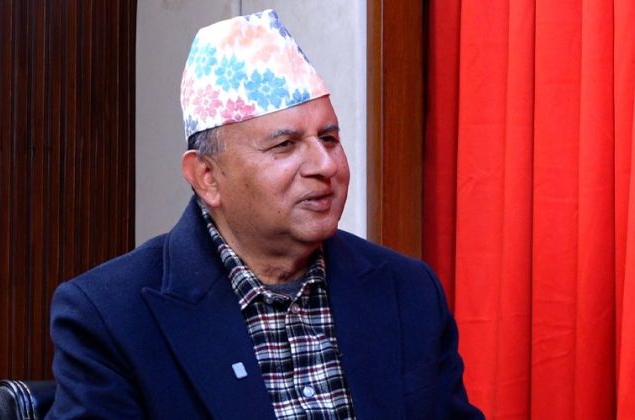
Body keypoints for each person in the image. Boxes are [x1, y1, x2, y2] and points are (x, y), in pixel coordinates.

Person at [46, 9, 483, 419]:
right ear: (207, 177)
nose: (325, 165)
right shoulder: (110, 315)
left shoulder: (407, 290)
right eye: (285, 145)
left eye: (329, 139)